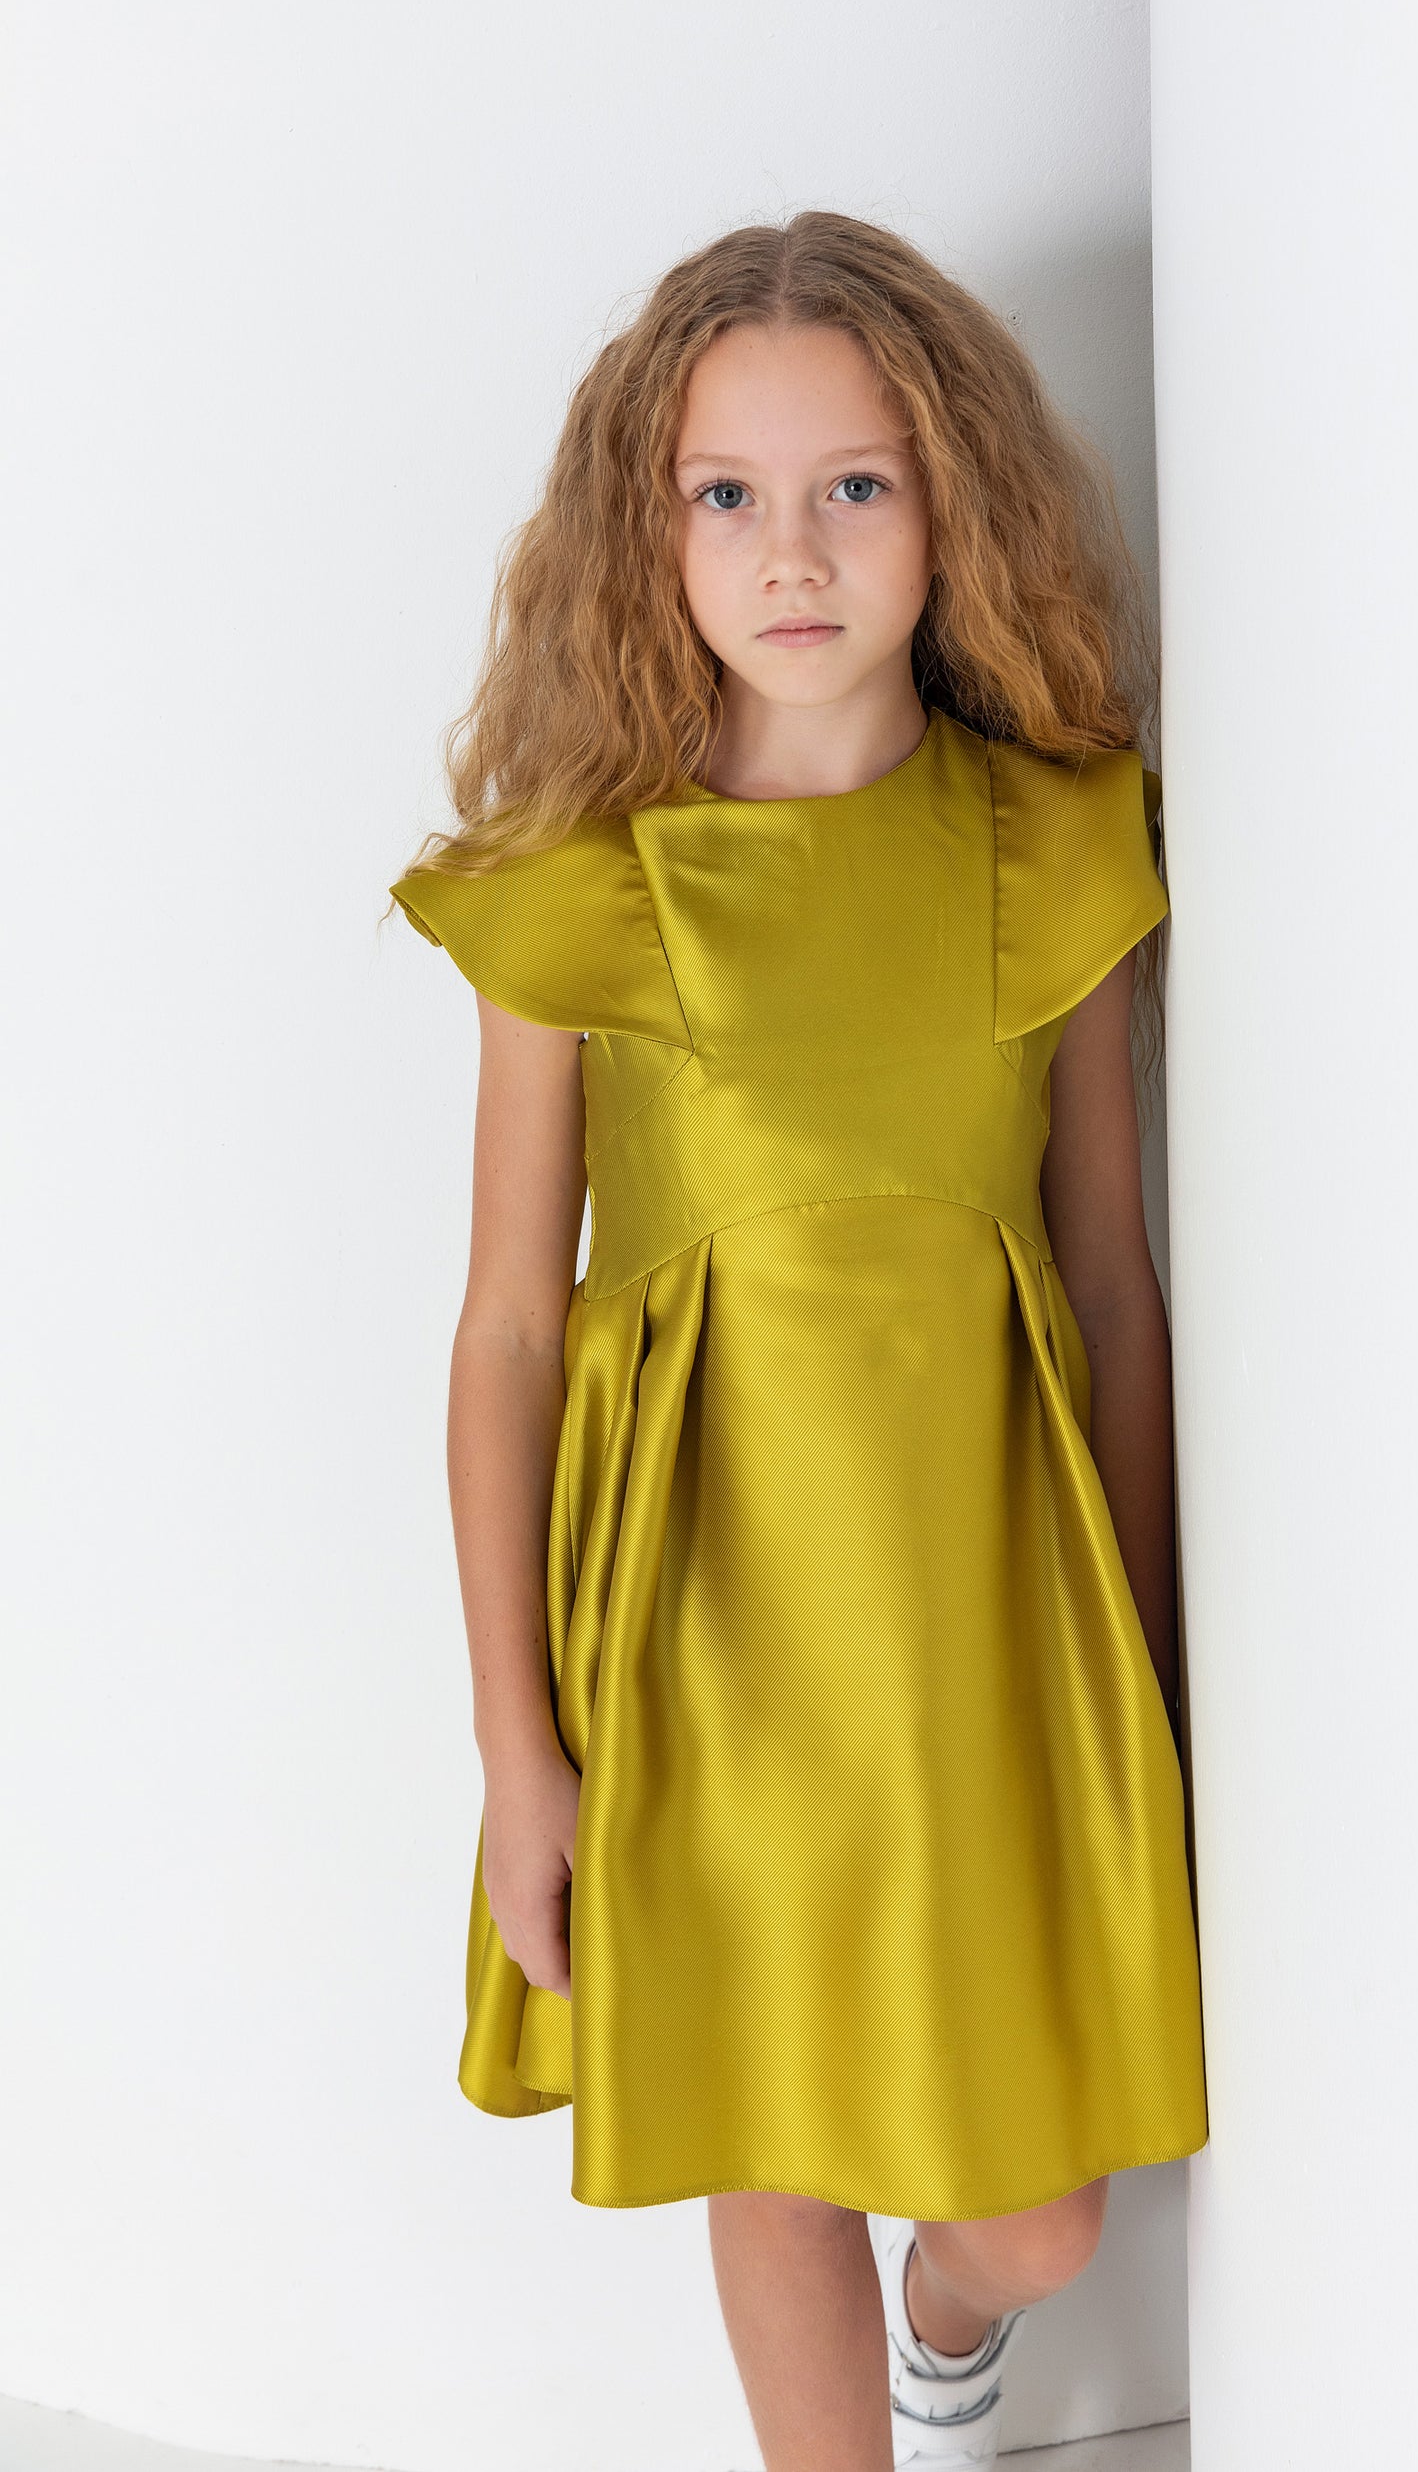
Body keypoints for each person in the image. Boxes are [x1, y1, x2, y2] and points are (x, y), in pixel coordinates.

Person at [388, 210, 1208, 2472]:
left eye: (855, 484)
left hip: (980, 1616)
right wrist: (517, 1748)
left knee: (1035, 2218)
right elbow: (507, 1330)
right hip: (700, 1619)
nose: (793, 552)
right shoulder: (587, 879)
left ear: (953, 505)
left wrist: (1149, 1669)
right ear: (645, 532)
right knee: (768, 2123)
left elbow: (1113, 1286)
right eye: (726, 494)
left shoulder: (1052, 851)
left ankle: (950, 2342)